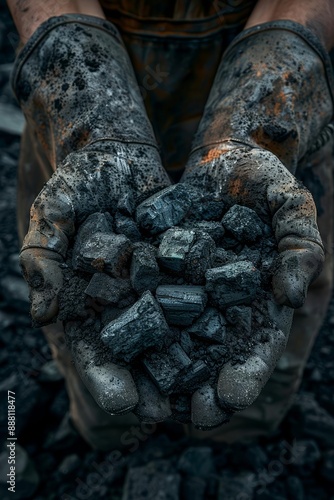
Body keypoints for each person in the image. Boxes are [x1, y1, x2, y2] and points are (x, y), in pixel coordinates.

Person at [6, 0, 334, 450]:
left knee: (283, 289)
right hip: (86, 102)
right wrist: (79, 89)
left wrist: (275, 79)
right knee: (69, 302)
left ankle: (238, 440)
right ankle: (114, 439)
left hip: (271, 99)